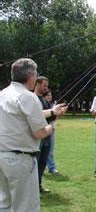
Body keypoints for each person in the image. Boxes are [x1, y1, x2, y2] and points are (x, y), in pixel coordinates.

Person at [0, 58, 63, 211]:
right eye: (36, 74)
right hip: (20, 160)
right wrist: (50, 128)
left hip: (2, 157)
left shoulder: (3, 94)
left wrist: (53, 111)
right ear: (30, 76)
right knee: (26, 207)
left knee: (4, 204)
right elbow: (39, 133)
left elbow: (23, 114)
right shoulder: (29, 97)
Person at [35, 76, 67, 193]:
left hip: (47, 135)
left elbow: (51, 116)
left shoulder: (45, 101)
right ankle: (33, 188)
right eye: (44, 85)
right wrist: (53, 111)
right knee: (35, 162)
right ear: (37, 84)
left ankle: (38, 186)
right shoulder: (33, 99)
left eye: (47, 86)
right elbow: (36, 116)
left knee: (43, 162)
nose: (46, 88)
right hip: (38, 135)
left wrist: (59, 112)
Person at [44, 90, 59, 174]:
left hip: (51, 130)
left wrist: (58, 113)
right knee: (42, 149)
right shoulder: (42, 105)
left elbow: (53, 119)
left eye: (50, 95)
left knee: (50, 149)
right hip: (43, 130)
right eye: (48, 95)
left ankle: (51, 167)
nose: (50, 97)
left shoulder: (52, 105)